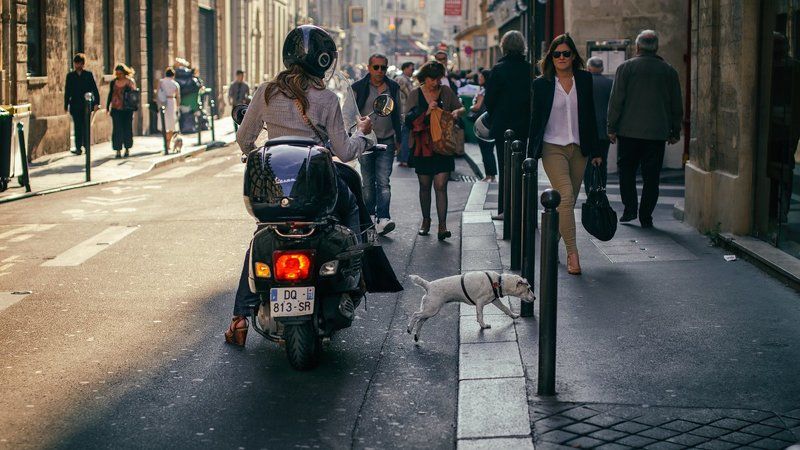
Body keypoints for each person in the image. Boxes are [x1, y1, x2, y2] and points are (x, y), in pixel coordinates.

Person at [227, 25, 374, 347]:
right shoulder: (326, 98)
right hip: (316, 185)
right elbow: (345, 152)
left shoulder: (266, 91)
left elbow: (244, 138)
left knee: (262, 239)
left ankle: (239, 316)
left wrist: (256, 156)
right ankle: (356, 272)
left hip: (274, 187)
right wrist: (362, 133)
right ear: (323, 61)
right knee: (350, 205)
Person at [530, 33, 602, 275]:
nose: (561, 58)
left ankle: (549, 247)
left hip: (579, 149)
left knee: (565, 205)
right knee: (567, 197)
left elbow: (591, 115)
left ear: (573, 56)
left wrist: (596, 150)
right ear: (551, 57)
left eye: (566, 53)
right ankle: (573, 254)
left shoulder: (584, 79)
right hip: (553, 147)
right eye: (556, 54)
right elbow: (535, 119)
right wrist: (532, 153)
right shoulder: (542, 83)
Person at [607, 30, 683, 229]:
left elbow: (616, 101)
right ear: (656, 48)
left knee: (627, 172)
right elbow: (676, 104)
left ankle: (630, 209)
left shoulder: (626, 68)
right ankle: (646, 216)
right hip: (656, 134)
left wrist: (611, 127)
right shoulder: (669, 71)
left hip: (628, 131)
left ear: (638, 47)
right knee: (652, 177)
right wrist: (675, 131)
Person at [404, 61, 465, 241]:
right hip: (423, 147)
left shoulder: (445, 92)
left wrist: (456, 113)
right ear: (424, 78)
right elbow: (407, 120)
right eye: (432, 79)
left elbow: (461, 107)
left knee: (441, 185)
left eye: (438, 78)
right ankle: (426, 220)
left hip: (443, 146)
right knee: (424, 186)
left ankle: (443, 226)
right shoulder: (415, 94)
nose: (435, 82)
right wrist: (428, 112)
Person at [351, 54, 403, 236]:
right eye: (376, 67)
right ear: (369, 67)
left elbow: (398, 115)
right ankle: (369, 217)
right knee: (367, 183)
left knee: (383, 182)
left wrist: (399, 139)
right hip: (365, 141)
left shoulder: (393, 87)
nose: (380, 71)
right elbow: (350, 114)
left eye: (383, 68)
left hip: (387, 139)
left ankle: (383, 218)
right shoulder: (357, 88)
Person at [484, 31, 532, 220]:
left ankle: (506, 209)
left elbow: (490, 99)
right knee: (522, 168)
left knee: (505, 168)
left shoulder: (499, 69)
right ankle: (522, 208)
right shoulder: (529, 68)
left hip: (503, 126)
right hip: (523, 125)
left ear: (503, 46)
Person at [583, 57, 614, 194]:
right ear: (601, 69)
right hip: (603, 130)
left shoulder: (584, 82)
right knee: (603, 162)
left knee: (587, 163)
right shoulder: (610, 83)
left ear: (588, 68)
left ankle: (589, 188)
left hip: (586, 130)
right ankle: (601, 189)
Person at [64, 53, 100, 156]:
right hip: (75, 105)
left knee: (86, 126)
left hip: (87, 105)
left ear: (83, 64)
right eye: (76, 63)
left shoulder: (88, 75)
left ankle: (86, 146)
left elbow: (94, 89)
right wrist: (66, 105)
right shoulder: (70, 76)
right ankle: (78, 147)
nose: (77, 65)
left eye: (79, 63)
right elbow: (68, 91)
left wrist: (97, 102)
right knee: (77, 126)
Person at [106, 64, 136, 159]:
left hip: (127, 109)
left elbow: (134, 95)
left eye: (120, 73)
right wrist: (107, 106)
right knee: (117, 129)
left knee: (127, 129)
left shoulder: (129, 82)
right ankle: (118, 150)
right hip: (116, 109)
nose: (118, 75)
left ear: (124, 73)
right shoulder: (113, 82)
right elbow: (110, 94)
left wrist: (134, 106)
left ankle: (127, 149)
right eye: (117, 74)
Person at [470, 69, 496, 182]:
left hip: (482, 122)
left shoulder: (482, 92)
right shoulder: (492, 90)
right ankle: (492, 175)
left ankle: (489, 175)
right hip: (491, 122)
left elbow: (476, 107)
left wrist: (471, 107)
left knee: (485, 150)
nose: (479, 79)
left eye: (481, 77)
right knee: (489, 150)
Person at [397, 61, 416, 167]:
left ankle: (402, 158)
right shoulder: (402, 80)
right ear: (405, 68)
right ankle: (404, 159)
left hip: (404, 112)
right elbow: (411, 95)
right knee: (405, 135)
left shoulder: (405, 79)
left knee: (404, 135)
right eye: (411, 69)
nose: (413, 71)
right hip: (404, 112)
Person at [157, 67, 181, 150]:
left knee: (163, 123)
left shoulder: (161, 82)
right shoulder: (175, 84)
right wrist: (178, 108)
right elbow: (178, 96)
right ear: (173, 75)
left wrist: (158, 103)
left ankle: (165, 142)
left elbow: (158, 93)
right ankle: (168, 143)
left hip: (163, 103)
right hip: (171, 102)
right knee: (171, 125)